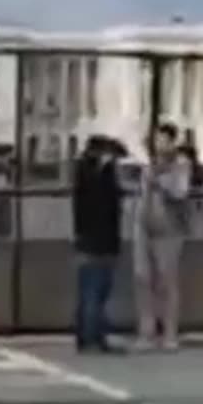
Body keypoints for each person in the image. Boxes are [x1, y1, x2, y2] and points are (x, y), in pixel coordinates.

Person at [133, 123, 192, 351]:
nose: (159, 145)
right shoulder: (149, 166)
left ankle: (170, 333)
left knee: (167, 281)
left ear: (172, 141)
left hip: (169, 230)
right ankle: (146, 332)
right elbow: (142, 192)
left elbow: (181, 192)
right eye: (156, 140)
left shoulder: (180, 165)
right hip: (144, 226)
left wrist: (160, 180)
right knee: (143, 279)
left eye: (164, 140)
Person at [71, 135, 124, 353]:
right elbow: (108, 207)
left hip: (87, 238)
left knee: (88, 290)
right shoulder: (100, 175)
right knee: (96, 290)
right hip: (100, 240)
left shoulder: (82, 172)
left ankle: (85, 336)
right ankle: (94, 337)